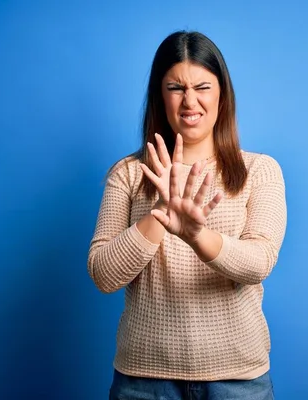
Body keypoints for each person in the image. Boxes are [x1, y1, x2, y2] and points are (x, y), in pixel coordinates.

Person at [88, 30, 287, 400]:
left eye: (202, 87)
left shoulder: (260, 171)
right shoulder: (129, 174)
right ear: (159, 95)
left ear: (222, 94)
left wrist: (197, 235)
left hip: (238, 382)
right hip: (143, 382)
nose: (189, 100)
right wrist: (160, 214)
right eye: (175, 87)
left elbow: (259, 262)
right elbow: (103, 274)